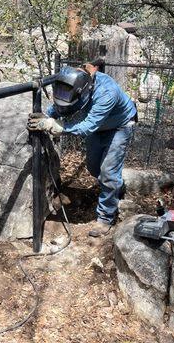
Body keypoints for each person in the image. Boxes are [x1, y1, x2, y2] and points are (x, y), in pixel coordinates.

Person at [28, 59, 137, 237]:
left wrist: (55, 126)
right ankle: (115, 188)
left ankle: (105, 218)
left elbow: (88, 126)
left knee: (108, 172)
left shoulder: (106, 93)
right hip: (99, 126)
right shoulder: (74, 84)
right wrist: (46, 116)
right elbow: (61, 105)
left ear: (85, 89)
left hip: (119, 126)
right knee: (94, 168)